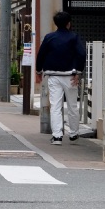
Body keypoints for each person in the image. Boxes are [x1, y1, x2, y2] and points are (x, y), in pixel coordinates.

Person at [34, 11, 87, 145]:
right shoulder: (74, 37)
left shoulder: (49, 37)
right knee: (72, 105)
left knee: (56, 106)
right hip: (70, 75)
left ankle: (57, 136)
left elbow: (41, 55)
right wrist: (78, 72)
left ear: (55, 24)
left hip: (53, 76)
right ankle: (74, 133)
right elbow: (81, 54)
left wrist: (39, 70)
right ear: (69, 24)